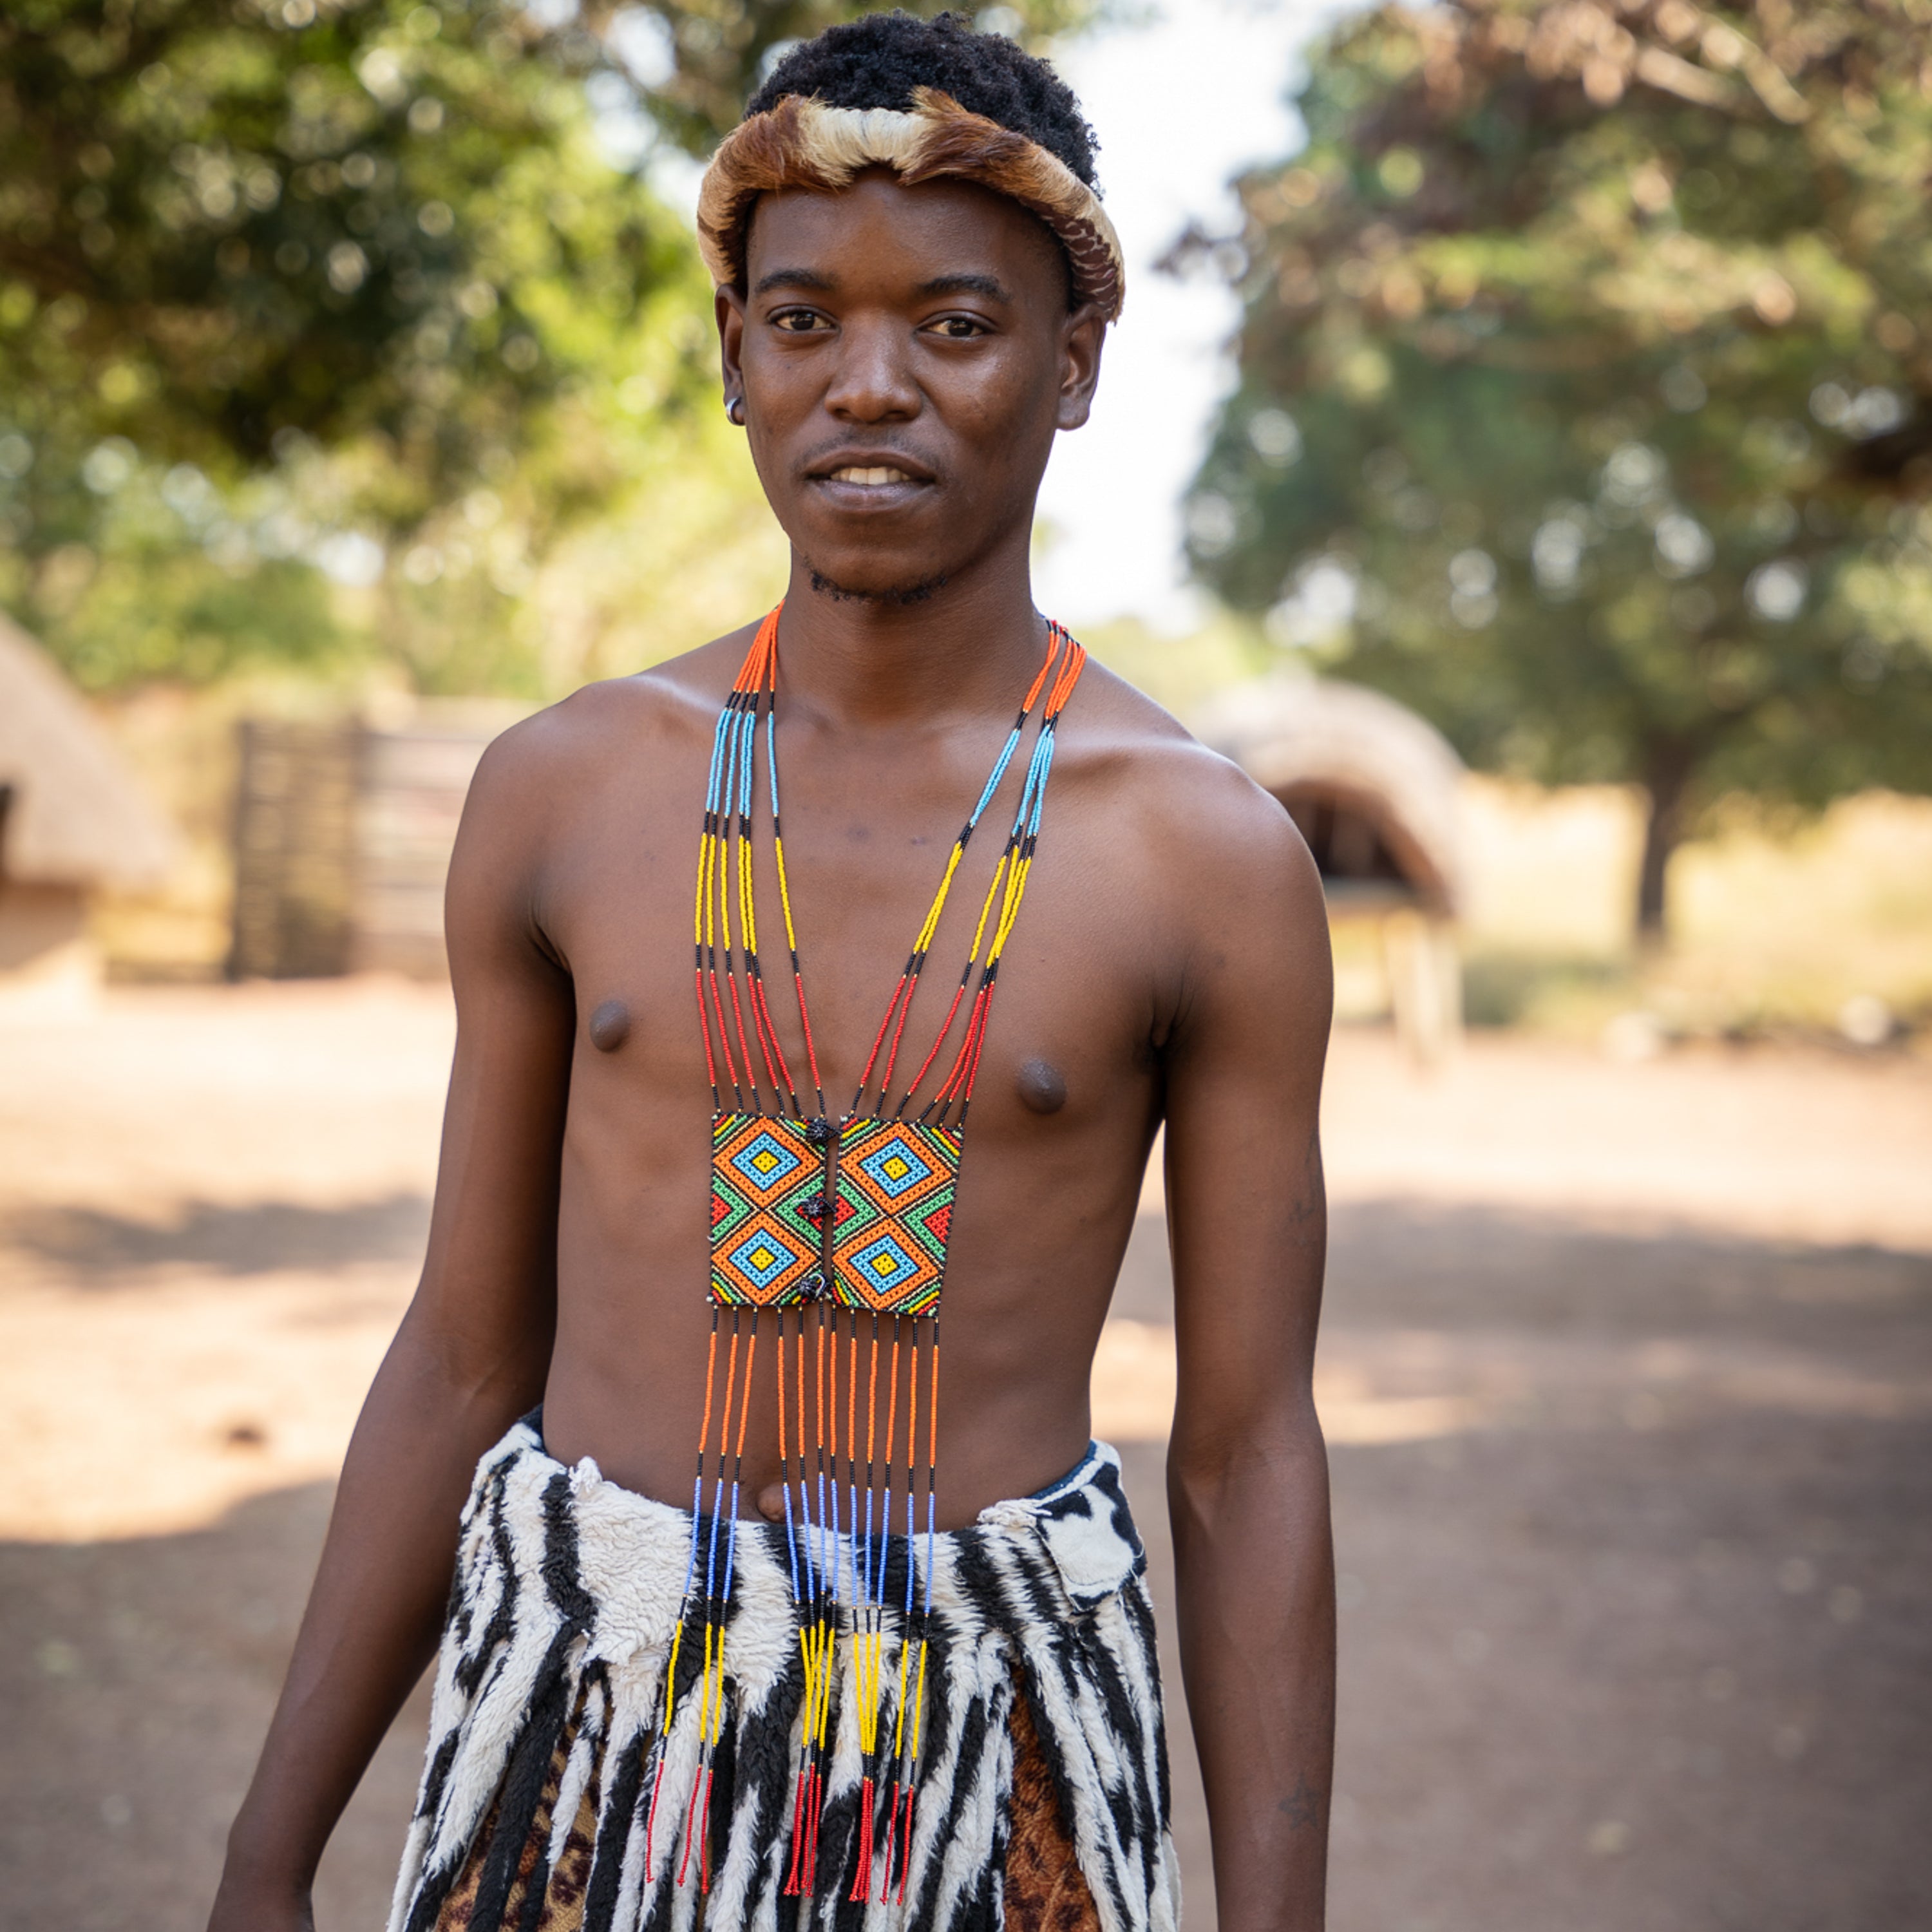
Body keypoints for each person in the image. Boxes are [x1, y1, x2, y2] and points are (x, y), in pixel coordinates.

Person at [208, 12, 1334, 1931]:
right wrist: (264, 1858)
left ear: (1073, 366)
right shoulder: (565, 795)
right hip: (583, 1714)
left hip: (1001, 1748)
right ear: (734, 357)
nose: (869, 387)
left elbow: (1242, 1455)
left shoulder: (1203, 858)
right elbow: (469, 1348)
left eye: (958, 328)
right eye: (804, 321)